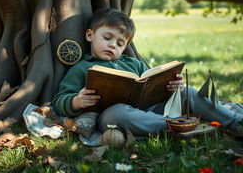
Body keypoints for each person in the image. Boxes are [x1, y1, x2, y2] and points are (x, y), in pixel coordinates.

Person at [52, 8, 242, 139]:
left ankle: (235, 122)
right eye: (107, 38)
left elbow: (151, 80)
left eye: (120, 43)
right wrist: (77, 101)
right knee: (117, 114)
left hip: (152, 108)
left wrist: (172, 86)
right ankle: (177, 126)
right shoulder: (82, 68)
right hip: (116, 115)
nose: (112, 45)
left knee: (189, 92)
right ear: (90, 35)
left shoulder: (132, 63)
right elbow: (60, 101)